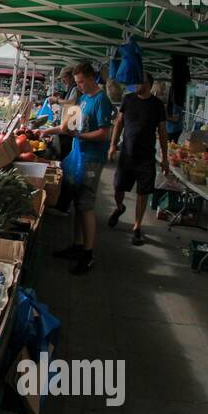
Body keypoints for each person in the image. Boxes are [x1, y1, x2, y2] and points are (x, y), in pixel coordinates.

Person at [42, 61, 113, 275]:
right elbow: (68, 127)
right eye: (77, 82)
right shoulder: (82, 99)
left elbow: (104, 133)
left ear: (92, 78)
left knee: (86, 204)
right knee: (76, 201)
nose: (79, 86)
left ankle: (87, 253)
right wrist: (47, 132)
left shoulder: (102, 101)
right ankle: (77, 245)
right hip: (78, 155)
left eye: (81, 82)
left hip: (91, 159)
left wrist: (80, 136)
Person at [108, 73, 169, 246]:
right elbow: (119, 123)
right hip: (126, 153)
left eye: (139, 81)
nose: (135, 84)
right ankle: (120, 207)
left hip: (146, 156)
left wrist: (165, 158)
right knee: (118, 187)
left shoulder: (157, 105)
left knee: (142, 192)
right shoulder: (128, 99)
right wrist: (113, 145)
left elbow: (162, 132)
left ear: (148, 84)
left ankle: (137, 227)